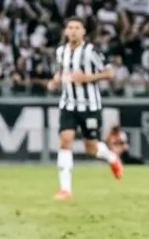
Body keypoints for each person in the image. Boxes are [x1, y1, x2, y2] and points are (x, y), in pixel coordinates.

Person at [48, 17, 121, 200]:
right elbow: (61, 73)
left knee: (91, 148)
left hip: (90, 106)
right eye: (70, 28)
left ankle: (111, 157)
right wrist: (54, 82)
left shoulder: (91, 51)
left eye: (77, 28)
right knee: (65, 141)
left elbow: (110, 73)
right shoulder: (60, 52)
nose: (73, 31)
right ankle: (65, 189)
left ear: (83, 32)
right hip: (68, 104)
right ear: (65, 32)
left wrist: (87, 78)